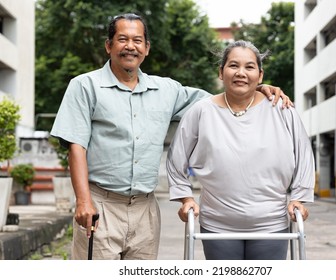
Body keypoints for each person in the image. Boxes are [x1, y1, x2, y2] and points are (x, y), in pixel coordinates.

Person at [50, 13, 291, 260]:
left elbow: (221, 100)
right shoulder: (84, 86)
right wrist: (83, 201)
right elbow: (76, 146)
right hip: (101, 205)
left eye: (137, 40)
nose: (130, 46)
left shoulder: (166, 90)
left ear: (147, 48)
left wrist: (256, 88)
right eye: (122, 39)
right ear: (109, 45)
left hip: (145, 209)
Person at [167, 40, 315, 260]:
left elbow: (304, 154)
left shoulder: (282, 109)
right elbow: (176, 158)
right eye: (233, 65)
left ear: (260, 75)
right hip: (218, 224)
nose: (241, 73)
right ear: (221, 72)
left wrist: (299, 198)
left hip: (271, 223)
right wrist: (185, 198)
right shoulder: (201, 111)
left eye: (249, 67)